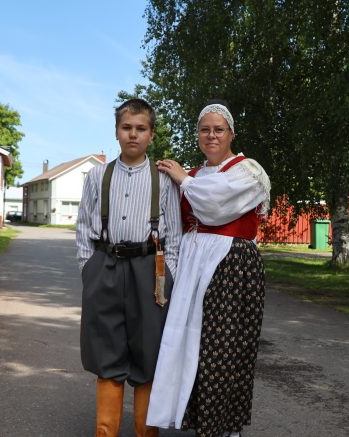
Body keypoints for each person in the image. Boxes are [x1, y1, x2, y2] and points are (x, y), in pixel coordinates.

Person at [148, 100, 271, 437]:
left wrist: (183, 180)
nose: (211, 135)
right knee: (192, 344)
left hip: (231, 265)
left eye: (219, 129)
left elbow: (216, 205)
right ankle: (199, 422)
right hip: (194, 264)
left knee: (225, 349)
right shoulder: (196, 174)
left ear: (231, 134)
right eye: (205, 130)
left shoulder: (248, 171)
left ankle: (224, 428)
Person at [75, 98, 182, 437]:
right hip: (105, 265)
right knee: (106, 351)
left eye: (140, 129)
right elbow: (82, 228)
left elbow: (175, 236)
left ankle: (145, 432)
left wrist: (169, 280)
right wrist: (87, 269)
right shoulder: (97, 175)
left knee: (147, 352)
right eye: (126, 128)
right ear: (117, 132)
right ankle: (105, 432)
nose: (133, 135)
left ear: (151, 134)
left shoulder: (164, 180)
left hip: (149, 269)